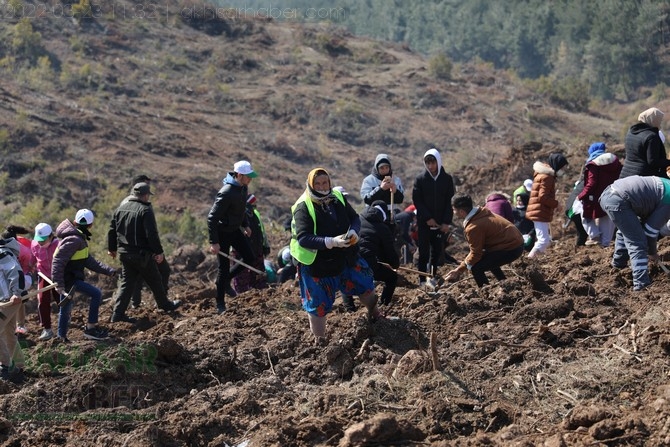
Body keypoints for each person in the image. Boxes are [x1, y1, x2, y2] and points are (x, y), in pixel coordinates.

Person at [290, 168, 382, 343]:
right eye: (317, 183)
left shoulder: (337, 197)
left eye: (325, 183)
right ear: (311, 184)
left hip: (344, 255)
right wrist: (330, 242)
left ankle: (376, 315)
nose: (322, 187)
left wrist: (354, 231)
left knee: (364, 283)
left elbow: (354, 217)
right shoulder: (303, 206)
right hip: (317, 263)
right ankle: (320, 341)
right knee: (318, 304)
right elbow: (303, 238)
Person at [108, 182, 181, 324]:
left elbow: (112, 230)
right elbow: (151, 234)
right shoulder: (145, 210)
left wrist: (112, 249)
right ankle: (165, 305)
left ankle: (117, 315)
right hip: (141, 255)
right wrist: (159, 252)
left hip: (125, 254)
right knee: (155, 279)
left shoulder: (120, 209)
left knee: (126, 284)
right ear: (146, 195)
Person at [52, 209, 116, 342]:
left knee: (66, 308)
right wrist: (59, 283)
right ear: (91, 225)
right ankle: (90, 329)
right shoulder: (75, 239)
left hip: (69, 278)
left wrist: (108, 270)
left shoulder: (77, 238)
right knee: (95, 294)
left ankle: (61, 337)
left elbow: (88, 261)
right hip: (68, 280)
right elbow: (58, 261)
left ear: (75, 222)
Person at [600, 175, 670, 291]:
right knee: (638, 241)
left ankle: (619, 265)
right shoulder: (669, 201)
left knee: (627, 231)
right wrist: (652, 252)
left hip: (609, 194)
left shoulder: (667, 185)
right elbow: (650, 232)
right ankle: (641, 284)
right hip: (619, 200)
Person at [207, 160, 259, 314]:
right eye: (248, 176)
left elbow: (241, 209)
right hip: (222, 233)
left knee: (249, 257)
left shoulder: (243, 188)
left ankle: (225, 280)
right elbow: (212, 218)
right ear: (240, 175)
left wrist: (246, 225)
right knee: (223, 268)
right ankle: (220, 303)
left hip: (235, 230)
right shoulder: (226, 192)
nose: (250, 179)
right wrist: (214, 242)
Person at [445, 194, 524, 287]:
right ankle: (505, 284)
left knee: (475, 267)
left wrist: (459, 270)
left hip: (511, 248)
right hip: (515, 243)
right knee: (487, 258)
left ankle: (485, 291)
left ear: (462, 212)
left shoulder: (473, 227)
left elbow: (476, 253)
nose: (454, 212)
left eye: (454, 210)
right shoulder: (481, 212)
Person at [124, 174, 171, 310]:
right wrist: (157, 250)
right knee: (162, 271)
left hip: (132, 248)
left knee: (137, 277)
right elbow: (149, 231)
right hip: (142, 248)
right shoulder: (137, 205)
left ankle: (136, 304)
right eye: (146, 185)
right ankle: (161, 302)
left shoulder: (127, 203)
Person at [412, 148, 455, 289]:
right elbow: (417, 201)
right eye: (427, 163)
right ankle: (422, 279)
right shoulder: (420, 180)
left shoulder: (447, 179)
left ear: (438, 161)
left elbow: (448, 202)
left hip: (440, 223)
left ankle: (433, 276)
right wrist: (427, 218)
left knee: (437, 252)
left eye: (433, 162)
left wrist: (446, 222)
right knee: (423, 251)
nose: (430, 166)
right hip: (425, 223)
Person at [576, 142, 622, 247]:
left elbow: (591, 183)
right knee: (607, 220)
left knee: (584, 214)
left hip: (596, 198)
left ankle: (594, 236)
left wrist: (581, 196)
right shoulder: (615, 163)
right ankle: (605, 245)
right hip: (612, 196)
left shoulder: (594, 165)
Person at [526, 153, 568, 258]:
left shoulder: (542, 175)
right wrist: (556, 204)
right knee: (544, 240)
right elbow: (543, 197)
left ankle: (533, 260)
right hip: (539, 211)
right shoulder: (547, 177)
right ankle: (529, 261)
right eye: (562, 167)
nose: (563, 170)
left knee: (543, 239)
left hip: (538, 211)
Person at [359, 200, 400, 306]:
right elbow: (389, 253)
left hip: (350, 260)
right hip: (367, 263)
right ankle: (384, 305)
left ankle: (349, 307)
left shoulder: (358, 219)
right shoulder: (382, 228)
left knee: (348, 280)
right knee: (392, 277)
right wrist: (395, 265)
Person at [231, 194, 270, 294]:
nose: (254, 205)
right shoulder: (236, 213)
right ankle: (242, 299)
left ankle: (260, 297)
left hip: (257, 249)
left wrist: (265, 245)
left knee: (258, 277)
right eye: (252, 203)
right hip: (241, 251)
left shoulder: (255, 214)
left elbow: (261, 231)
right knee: (241, 278)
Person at [1, 226, 35, 336]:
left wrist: (17, 291)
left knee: (19, 301)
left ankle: (21, 325)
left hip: (22, 279)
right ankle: (14, 352)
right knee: (7, 333)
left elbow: (19, 272)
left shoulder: (21, 251)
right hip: (5, 291)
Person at [0, 237, 25, 381]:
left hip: (10, 301)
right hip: (4, 301)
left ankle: (6, 366)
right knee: (9, 333)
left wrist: (16, 293)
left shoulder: (3, 254)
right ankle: (19, 367)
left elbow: (16, 272)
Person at [30, 223, 59, 341]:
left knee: (60, 299)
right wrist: (30, 266)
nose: (40, 243)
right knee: (42, 300)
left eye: (43, 240)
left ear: (51, 236)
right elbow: (33, 258)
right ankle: (47, 329)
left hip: (58, 275)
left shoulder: (59, 245)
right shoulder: (34, 244)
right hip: (43, 274)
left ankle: (65, 322)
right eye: (39, 240)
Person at [620, 107, 668, 178]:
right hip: (642, 177)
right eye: (659, 121)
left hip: (625, 175)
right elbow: (653, 162)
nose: (660, 123)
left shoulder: (631, 132)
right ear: (654, 120)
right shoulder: (651, 136)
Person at [564, 178, 589, 247]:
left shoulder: (580, 185)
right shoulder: (587, 184)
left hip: (570, 209)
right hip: (574, 209)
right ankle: (581, 245)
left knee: (581, 231)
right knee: (584, 230)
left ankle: (579, 246)